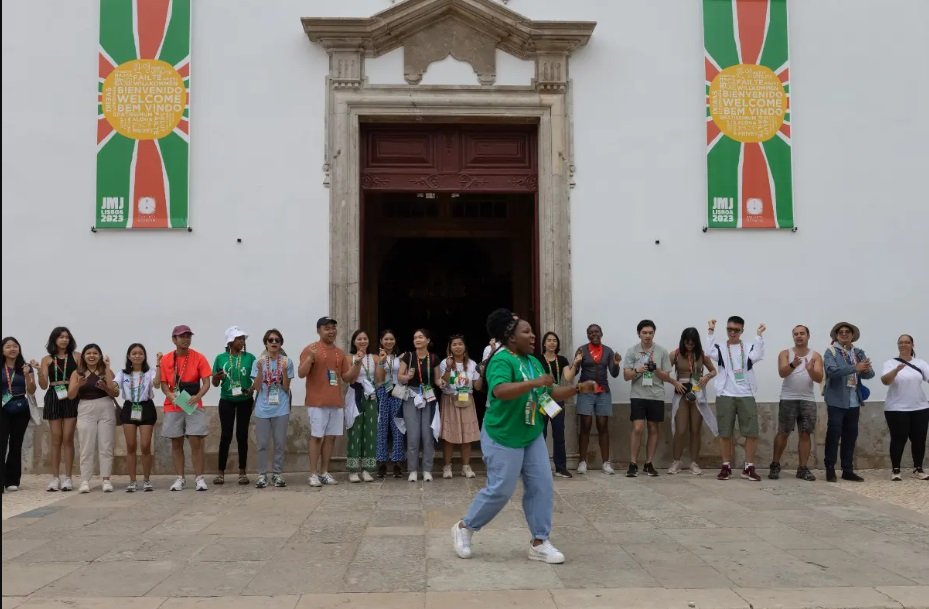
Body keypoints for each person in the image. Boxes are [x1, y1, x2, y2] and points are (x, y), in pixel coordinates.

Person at [451, 309, 596, 563]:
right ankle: (465, 527)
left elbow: (549, 392)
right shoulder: (502, 360)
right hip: (503, 436)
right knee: (501, 490)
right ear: (510, 336)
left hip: (531, 434)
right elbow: (500, 391)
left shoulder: (533, 361)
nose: (533, 336)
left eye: (531, 331)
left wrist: (577, 388)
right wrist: (534, 383)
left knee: (542, 485)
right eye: (526, 332)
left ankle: (539, 541)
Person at [298, 316, 361, 487]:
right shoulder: (310, 349)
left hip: (335, 401)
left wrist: (357, 365)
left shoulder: (340, 353)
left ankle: (325, 472)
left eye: (333, 328)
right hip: (317, 402)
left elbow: (347, 378)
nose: (331, 331)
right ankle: (313, 474)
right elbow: (301, 373)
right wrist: (310, 358)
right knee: (316, 437)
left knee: (330, 438)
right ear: (319, 330)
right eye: (327, 328)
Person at [705, 317, 766, 481]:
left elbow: (758, 355)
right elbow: (709, 352)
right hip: (725, 394)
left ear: (741, 331)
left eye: (736, 330)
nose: (732, 333)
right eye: (729, 329)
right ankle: (726, 466)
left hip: (746, 393)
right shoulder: (720, 348)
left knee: (751, 432)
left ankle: (749, 467)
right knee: (725, 432)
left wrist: (759, 336)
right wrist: (710, 331)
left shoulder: (748, 347)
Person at [158, 325, 213, 492]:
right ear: (174, 339)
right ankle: (180, 478)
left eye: (188, 336)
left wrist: (198, 397)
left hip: (192, 404)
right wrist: (170, 396)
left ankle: (199, 478)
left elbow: (206, 382)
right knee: (176, 442)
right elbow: (164, 384)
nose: (185, 339)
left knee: (196, 441)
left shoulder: (199, 357)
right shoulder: (166, 359)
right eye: (181, 336)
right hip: (173, 405)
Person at [769, 325, 823, 482]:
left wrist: (810, 369)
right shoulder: (785, 353)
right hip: (788, 398)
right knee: (783, 432)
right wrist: (793, 364)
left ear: (808, 335)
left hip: (808, 400)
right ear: (793, 336)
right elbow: (782, 373)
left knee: (805, 434)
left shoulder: (816, 356)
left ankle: (802, 468)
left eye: (802, 333)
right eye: (796, 334)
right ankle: (775, 464)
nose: (799, 336)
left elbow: (819, 378)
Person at [823, 322, 874, 482]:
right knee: (833, 434)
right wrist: (855, 368)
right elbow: (832, 371)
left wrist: (865, 369)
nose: (844, 334)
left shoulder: (858, 352)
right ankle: (830, 468)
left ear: (853, 335)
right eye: (841, 332)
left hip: (854, 402)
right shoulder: (831, 351)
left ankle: (847, 469)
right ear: (836, 336)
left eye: (847, 332)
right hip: (836, 401)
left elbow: (869, 374)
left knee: (850, 436)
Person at [623, 320, 674, 477]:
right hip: (638, 394)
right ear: (639, 333)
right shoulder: (632, 351)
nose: (647, 335)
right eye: (644, 332)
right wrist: (638, 369)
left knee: (653, 428)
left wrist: (656, 369)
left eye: (650, 333)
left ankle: (649, 463)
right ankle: (632, 463)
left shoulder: (661, 351)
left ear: (654, 334)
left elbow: (666, 376)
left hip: (656, 395)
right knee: (638, 427)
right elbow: (626, 376)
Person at [67, 343, 119, 493]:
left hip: (105, 407)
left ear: (100, 356)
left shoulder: (106, 371)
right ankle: (85, 480)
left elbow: (114, 393)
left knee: (106, 445)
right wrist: (78, 384)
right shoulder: (77, 373)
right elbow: (70, 396)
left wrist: (107, 380)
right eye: (88, 353)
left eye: (95, 353)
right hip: (85, 407)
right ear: (83, 356)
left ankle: (106, 479)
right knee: (86, 445)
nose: (92, 356)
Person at [572, 324, 621, 474]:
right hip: (586, 392)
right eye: (591, 332)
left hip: (603, 392)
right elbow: (574, 373)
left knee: (603, 426)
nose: (594, 334)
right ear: (588, 335)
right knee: (585, 426)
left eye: (597, 332)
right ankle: (582, 462)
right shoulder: (581, 349)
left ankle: (606, 462)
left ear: (601, 333)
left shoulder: (608, 351)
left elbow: (614, 373)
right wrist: (577, 361)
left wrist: (617, 364)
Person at [668, 327, 717, 475]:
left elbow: (713, 371)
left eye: (692, 343)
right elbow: (662, 372)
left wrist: (706, 377)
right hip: (682, 394)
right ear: (683, 341)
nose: (690, 345)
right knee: (681, 429)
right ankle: (676, 461)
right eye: (687, 343)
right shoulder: (675, 354)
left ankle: (694, 462)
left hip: (697, 393)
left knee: (695, 430)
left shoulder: (701, 354)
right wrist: (674, 382)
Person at [36, 327, 81, 492]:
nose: (64, 340)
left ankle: (68, 477)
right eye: (61, 337)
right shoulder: (47, 359)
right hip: (54, 395)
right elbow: (43, 385)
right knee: (56, 439)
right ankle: (55, 477)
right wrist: (39, 372)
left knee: (68, 438)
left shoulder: (76, 356)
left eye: (67, 337)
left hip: (70, 395)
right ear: (54, 339)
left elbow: (81, 376)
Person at [879, 334, 929, 481]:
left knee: (919, 439)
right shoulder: (890, 363)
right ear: (898, 345)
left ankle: (918, 468)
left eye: (907, 342)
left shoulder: (920, 363)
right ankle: (896, 470)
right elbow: (885, 381)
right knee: (898, 439)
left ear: (912, 345)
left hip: (920, 407)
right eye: (901, 342)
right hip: (896, 408)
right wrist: (896, 370)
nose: (903, 345)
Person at [211, 326, 256, 486]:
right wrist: (216, 378)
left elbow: (256, 378)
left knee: (242, 435)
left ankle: (242, 472)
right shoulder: (220, 358)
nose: (242, 341)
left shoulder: (250, 357)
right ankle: (220, 473)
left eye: (243, 338)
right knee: (226, 436)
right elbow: (215, 384)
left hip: (245, 400)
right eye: (239, 339)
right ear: (230, 341)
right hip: (227, 400)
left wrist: (251, 390)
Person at [398, 329, 444, 482]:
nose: (417, 340)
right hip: (411, 396)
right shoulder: (408, 356)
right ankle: (412, 470)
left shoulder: (434, 358)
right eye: (415, 337)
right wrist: (407, 376)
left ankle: (427, 470)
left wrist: (442, 383)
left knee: (427, 435)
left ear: (428, 340)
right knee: (413, 435)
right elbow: (400, 377)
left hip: (428, 396)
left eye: (420, 337)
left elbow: (437, 379)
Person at [250, 329, 294, 488]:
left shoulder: (287, 361)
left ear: (281, 343)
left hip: (281, 408)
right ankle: (262, 475)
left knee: (280, 443)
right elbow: (256, 387)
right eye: (270, 340)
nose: (274, 342)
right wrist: (261, 371)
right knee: (262, 444)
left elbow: (286, 388)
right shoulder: (259, 362)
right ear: (266, 343)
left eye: (277, 340)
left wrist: (283, 371)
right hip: (263, 408)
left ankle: (277, 474)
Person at [115, 343, 158, 492]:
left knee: (145, 446)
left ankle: (146, 480)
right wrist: (107, 370)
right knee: (131, 446)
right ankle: (132, 481)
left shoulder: (150, 372)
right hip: (129, 407)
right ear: (129, 356)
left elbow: (157, 384)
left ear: (144, 356)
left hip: (146, 407)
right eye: (134, 353)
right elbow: (114, 386)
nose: (137, 355)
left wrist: (159, 365)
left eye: (140, 353)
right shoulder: (122, 373)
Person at [439, 334, 482, 479]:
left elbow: (477, 387)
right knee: (449, 437)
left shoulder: (472, 364)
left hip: (467, 400)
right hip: (450, 399)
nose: (457, 347)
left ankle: (466, 466)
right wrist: (448, 369)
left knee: (467, 436)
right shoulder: (445, 362)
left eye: (460, 344)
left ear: (465, 347)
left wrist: (481, 374)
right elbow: (442, 383)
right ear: (450, 348)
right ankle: (447, 466)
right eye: (454, 344)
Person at [1, 337, 37, 493]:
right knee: (2, 444)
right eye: (8, 346)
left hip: (21, 408)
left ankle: (12, 480)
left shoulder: (26, 366)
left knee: (16, 444)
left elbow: (32, 390)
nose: (12, 349)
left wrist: (28, 375)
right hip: (2, 407)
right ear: (3, 350)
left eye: (15, 346)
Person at [539, 331, 576, 478]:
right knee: (541, 433)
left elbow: (568, 376)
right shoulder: (537, 359)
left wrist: (576, 363)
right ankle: (540, 467)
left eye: (555, 340)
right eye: (549, 340)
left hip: (557, 398)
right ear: (544, 343)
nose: (552, 343)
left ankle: (561, 467)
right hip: (543, 399)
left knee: (559, 433)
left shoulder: (561, 360)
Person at [346, 329, 378, 483]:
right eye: (359, 339)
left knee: (370, 432)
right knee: (355, 431)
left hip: (371, 396)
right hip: (356, 396)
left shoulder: (375, 358)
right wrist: (357, 362)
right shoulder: (349, 358)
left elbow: (380, 380)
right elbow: (350, 379)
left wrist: (383, 364)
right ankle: (353, 470)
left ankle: (367, 469)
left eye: (365, 338)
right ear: (354, 342)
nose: (363, 341)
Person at [374, 329, 405, 479]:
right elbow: (378, 379)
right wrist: (381, 362)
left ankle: (398, 462)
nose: (389, 342)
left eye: (391, 339)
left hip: (397, 391)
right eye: (386, 339)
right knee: (382, 426)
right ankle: (381, 461)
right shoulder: (377, 357)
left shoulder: (401, 358)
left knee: (398, 426)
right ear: (381, 341)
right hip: (382, 392)